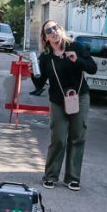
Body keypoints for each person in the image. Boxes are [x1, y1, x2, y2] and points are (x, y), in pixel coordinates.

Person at [33, 23, 97, 191]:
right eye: (48, 31)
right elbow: (39, 83)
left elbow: (93, 68)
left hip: (80, 97)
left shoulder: (76, 47)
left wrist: (78, 60)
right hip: (58, 101)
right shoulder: (46, 57)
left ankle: (72, 178)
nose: (53, 32)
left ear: (61, 30)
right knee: (59, 139)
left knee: (77, 137)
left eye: (55, 28)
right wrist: (33, 72)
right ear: (45, 37)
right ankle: (50, 176)